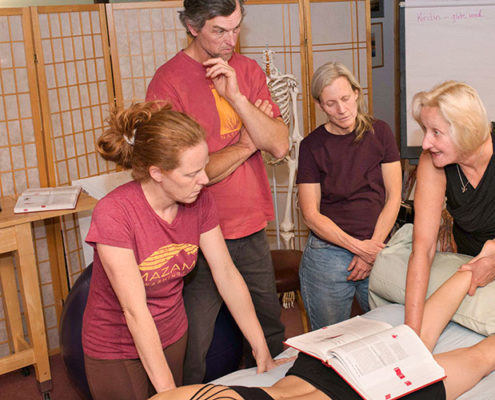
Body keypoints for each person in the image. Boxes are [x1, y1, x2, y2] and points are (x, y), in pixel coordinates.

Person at [82, 102, 287, 400]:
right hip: (117, 345)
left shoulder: (199, 201)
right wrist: (169, 393)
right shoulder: (114, 213)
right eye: (191, 173)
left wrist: (261, 348)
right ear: (157, 173)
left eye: (203, 167)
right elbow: (135, 311)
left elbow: (226, 274)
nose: (204, 179)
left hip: (172, 334)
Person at [145, 0, 289, 384]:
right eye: (219, 31)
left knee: (269, 331)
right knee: (195, 344)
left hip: (251, 224)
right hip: (196, 235)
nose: (231, 40)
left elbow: (278, 145)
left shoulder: (248, 69)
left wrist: (238, 99)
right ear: (193, 28)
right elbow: (184, 175)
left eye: (237, 28)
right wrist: (245, 145)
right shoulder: (168, 82)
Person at [149, 269, 495, 400]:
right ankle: (470, 272)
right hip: (323, 372)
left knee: (423, 344)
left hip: (332, 372)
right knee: (415, 343)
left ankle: (472, 271)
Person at [296, 61, 402, 329]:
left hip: (377, 246)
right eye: (330, 103)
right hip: (328, 253)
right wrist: (358, 248)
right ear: (320, 105)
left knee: (390, 332)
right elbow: (310, 214)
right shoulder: (311, 146)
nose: (341, 109)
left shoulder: (381, 133)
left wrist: (371, 250)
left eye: (345, 98)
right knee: (330, 339)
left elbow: (394, 197)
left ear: (357, 93)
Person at [405, 81, 495, 335]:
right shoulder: (433, 162)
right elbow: (422, 250)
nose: (424, 144)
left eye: (436, 132)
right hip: (469, 260)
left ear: (464, 130)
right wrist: (410, 331)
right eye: (424, 130)